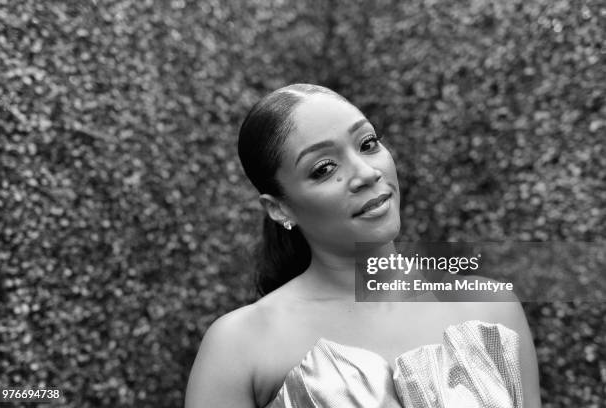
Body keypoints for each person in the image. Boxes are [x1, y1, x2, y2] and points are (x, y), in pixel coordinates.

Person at [185, 84, 541, 407]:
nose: (367, 173)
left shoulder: (491, 307)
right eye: (324, 168)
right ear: (279, 207)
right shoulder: (238, 347)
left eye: (368, 144)